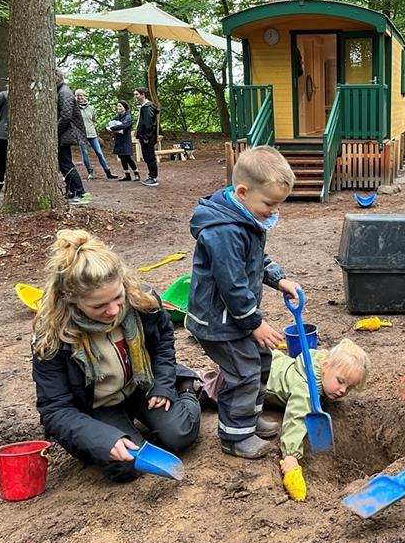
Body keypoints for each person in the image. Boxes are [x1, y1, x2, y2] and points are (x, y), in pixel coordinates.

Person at [31, 229, 202, 482]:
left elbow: (163, 343)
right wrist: (102, 439)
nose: (113, 311)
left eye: (117, 297)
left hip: (141, 385)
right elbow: (55, 409)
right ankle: (122, 429)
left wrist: (164, 385)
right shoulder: (52, 338)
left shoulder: (141, 301)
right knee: (125, 467)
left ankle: (185, 386)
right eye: (98, 306)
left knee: (179, 435)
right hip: (95, 405)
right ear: (70, 299)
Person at [186, 146, 300, 459]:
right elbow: (232, 285)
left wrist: (279, 279)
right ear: (242, 191)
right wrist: (256, 323)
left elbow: (255, 259)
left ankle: (248, 419)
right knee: (244, 372)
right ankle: (235, 437)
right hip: (219, 321)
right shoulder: (224, 231)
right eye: (269, 204)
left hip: (235, 317)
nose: (273, 211)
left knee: (262, 361)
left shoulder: (246, 216)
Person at [200, 339, 370, 501]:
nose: (342, 391)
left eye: (349, 388)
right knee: (212, 393)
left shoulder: (318, 364)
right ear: (325, 366)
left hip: (264, 363)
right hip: (244, 378)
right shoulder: (305, 390)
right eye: (340, 382)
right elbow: (296, 418)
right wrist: (291, 456)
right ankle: (192, 384)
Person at [55, 69, 88, 205]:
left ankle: (80, 193)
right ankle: (72, 191)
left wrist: (54, 132)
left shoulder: (64, 92)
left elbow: (66, 116)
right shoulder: (61, 91)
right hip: (64, 132)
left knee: (66, 163)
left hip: (65, 132)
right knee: (63, 164)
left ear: (58, 76)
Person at [75, 89, 117, 180]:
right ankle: (90, 172)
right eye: (78, 96)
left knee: (99, 153)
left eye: (81, 95)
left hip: (92, 134)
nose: (80, 97)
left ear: (85, 96)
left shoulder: (91, 108)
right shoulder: (74, 108)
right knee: (85, 154)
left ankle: (108, 172)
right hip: (81, 135)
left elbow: (93, 120)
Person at [107, 100, 139, 182]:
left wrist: (112, 128)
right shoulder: (117, 116)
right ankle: (127, 175)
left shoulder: (128, 116)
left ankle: (136, 174)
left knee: (127, 157)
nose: (118, 107)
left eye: (120, 106)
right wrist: (110, 126)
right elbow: (109, 123)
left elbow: (124, 125)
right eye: (118, 106)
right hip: (119, 139)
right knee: (121, 156)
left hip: (125, 140)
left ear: (125, 107)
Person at [133, 87, 159, 187]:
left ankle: (153, 178)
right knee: (148, 157)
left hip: (147, 138)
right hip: (146, 137)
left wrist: (146, 137)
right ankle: (152, 176)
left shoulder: (147, 108)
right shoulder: (145, 107)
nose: (135, 96)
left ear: (143, 94)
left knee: (149, 157)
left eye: (137, 94)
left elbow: (148, 125)